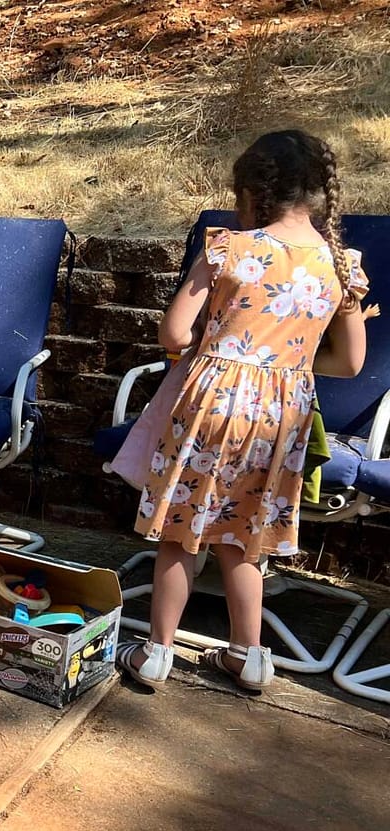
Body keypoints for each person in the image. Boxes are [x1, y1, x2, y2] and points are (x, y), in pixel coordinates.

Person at [114, 130, 370, 693]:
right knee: (245, 534)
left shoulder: (229, 248)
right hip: (284, 411)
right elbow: (351, 362)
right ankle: (250, 658)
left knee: (182, 532)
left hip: (211, 398)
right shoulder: (342, 266)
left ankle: (157, 653)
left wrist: (222, 350)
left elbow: (174, 332)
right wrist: (286, 361)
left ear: (255, 190)